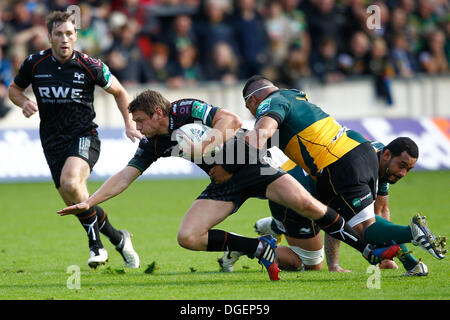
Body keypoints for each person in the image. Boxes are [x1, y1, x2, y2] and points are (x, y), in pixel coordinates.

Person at [57, 90, 399, 281]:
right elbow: (124, 176)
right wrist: (90, 201)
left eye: (142, 121)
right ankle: (258, 247)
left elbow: (231, 121)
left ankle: (369, 250)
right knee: (188, 237)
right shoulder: (153, 144)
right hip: (223, 183)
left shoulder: (185, 109)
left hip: (250, 165)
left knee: (308, 205)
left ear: (159, 112)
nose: (139, 127)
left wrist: (208, 147)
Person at [229, 75, 446, 265]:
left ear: (253, 100)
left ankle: (412, 232)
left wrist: (241, 157)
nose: (255, 112)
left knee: (356, 234)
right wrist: (408, 262)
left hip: (336, 165)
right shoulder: (295, 96)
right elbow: (380, 211)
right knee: (360, 224)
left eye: (251, 108)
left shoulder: (269, 103)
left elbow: (262, 132)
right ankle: (274, 227)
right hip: (360, 150)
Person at [8, 11, 141, 269]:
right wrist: (23, 102)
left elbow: (120, 91)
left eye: (69, 33)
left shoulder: (89, 65)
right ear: (49, 37)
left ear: (76, 36)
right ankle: (119, 238)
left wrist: (129, 123)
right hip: (51, 142)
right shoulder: (35, 64)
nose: (64, 39)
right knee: (76, 200)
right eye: (58, 34)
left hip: (84, 136)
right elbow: (14, 89)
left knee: (71, 183)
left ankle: (96, 248)